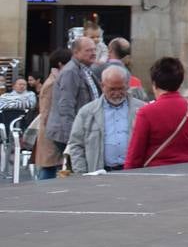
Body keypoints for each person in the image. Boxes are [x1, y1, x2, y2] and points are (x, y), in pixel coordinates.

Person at [126, 57, 188, 169]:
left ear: (154, 84)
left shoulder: (146, 112)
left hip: (155, 174)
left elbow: (135, 155)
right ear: (180, 82)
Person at [66, 65, 144, 173]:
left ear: (127, 85)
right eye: (112, 89)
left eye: (121, 88)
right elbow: (76, 145)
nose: (117, 93)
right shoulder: (87, 112)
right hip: (100, 174)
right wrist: (82, 174)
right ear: (102, 86)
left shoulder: (142, 110)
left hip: (135, 173)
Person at [43, 36, 101, 180]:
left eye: (94, 49)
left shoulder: (86, 69)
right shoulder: (71, 71)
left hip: (82, 128)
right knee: (75, 168)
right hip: (70, 131)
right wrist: (73, 136)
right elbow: (66, 106)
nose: (93, 53)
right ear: (76, 52)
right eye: (88, 50)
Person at [32, 50, 70, 179]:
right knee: (48, 167)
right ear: (60, 64)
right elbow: (46, 111)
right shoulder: (52, 83)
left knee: (50, 166)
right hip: (50, 133)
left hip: (52, 131)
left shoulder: (57, 80)